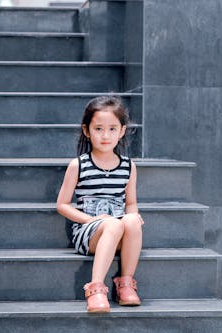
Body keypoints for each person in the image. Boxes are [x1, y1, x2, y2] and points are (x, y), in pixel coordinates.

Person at [56, 96, 144, 313]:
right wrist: (93, 219)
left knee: (131, 220)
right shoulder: (79, 165)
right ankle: (96, 288)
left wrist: (134, 216)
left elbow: (130, 203)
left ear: (122, 131)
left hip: (118, 227)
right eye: (98, 129)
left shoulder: (128, 166)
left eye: (112, 129)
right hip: (90, 232)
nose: (106, 135)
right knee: (113, 225)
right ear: (87, 131)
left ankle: (125, 283)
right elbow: (62, 205)